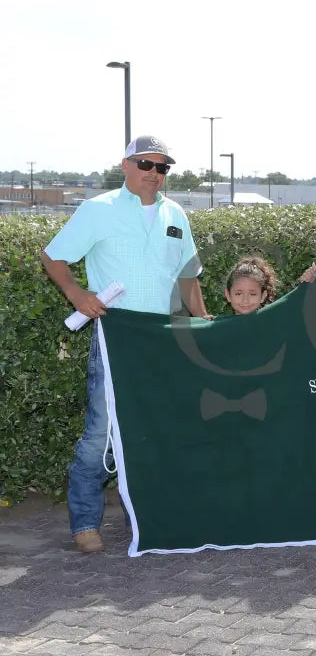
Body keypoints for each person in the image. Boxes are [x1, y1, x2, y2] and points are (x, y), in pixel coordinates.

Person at [41, 135, 208, 553]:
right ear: (126, 165)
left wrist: (203, 323)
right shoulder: (97, 210)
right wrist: (77, 295)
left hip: (167, 337)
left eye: (162, 168)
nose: (155, 174)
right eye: (146, 165)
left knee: (164, 426)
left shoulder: (176, 214)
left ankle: (161, 514)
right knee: (101, 432)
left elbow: (188, 275)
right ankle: (84, 523)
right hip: (118, 335)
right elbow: (53, 256)